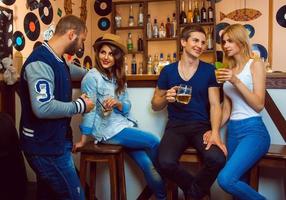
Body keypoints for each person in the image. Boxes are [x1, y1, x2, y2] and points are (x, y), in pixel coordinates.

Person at [74, 33, 167, 200]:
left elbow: (127, 106)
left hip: (123, 125)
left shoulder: (118, 78)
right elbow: (89, 110)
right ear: (98, 54)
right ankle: (167, 182)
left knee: (148, 166)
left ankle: (162, 196)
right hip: (107, 131)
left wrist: (117, 103)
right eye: (103, 52)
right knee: (153, 141)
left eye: (111, 53)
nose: (106, 57)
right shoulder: (91, 77)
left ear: (117, 57)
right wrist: (83, 138)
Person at [19, 15, 94, 200]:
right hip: (43, 146)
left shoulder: (58, 60)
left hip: (55, 142)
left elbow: (76, 71)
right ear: (71, 34)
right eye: (81, 40)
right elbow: (43, 108)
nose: (80, 46)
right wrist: (80, 105)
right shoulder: (40, 62)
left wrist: (95, 74)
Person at [151, 24, 227, 200]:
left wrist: (215, 132)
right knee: (164, 162)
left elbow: (216, 105)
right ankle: (195, 191)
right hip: (176, 127)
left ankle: (192, 194)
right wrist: (166, 98)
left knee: (217, 159)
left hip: (201, 127)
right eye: (195, 40)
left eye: (202, 42)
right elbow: (155, 104)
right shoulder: (167, 71)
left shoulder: (209, 70)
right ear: (183, 42)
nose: (200, 45)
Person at [216, 24, 270, 200]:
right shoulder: (229, 70)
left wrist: (235, 80)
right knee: (239, 188)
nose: (225, 45)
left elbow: (259, 104)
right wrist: (214, 130)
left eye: (230, 41)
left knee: (226, 179)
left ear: (241, 41)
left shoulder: (255, 64)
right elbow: (226, 109)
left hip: (253, 131)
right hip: (233, 131)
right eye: (224, 42)